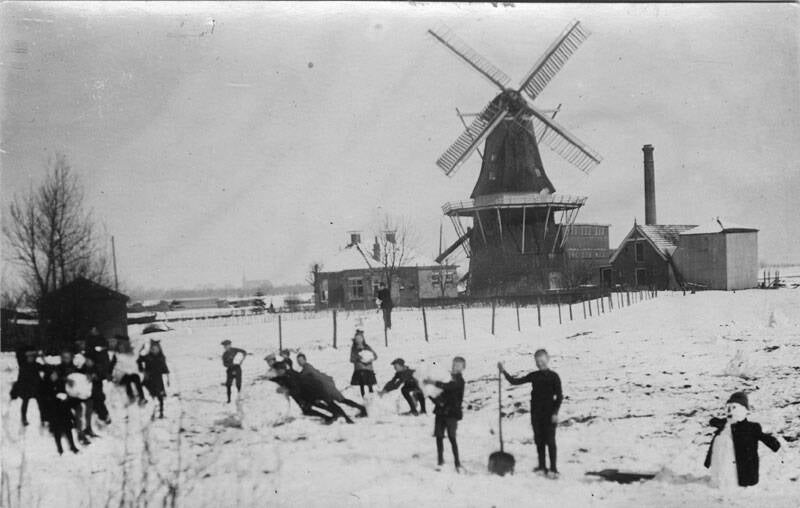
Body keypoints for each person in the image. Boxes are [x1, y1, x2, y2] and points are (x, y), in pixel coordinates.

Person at [499, 349, 563, 478]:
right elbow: (514, 381)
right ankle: (542, 467)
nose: (540, 363)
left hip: (550, 414)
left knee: (550, 441)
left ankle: (553, 469)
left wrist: (555, 413)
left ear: (548, 359)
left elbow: (559, 396)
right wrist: (503, 371)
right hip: (536, 414)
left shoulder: (554, 376)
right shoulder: (534, 376)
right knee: (539, 441)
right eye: (537, 361)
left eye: (542, 361)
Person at [704, 391, 781, 488]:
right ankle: (717, 481)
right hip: (718, 477)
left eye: (734, 408)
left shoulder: (751, 428)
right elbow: (716, 421)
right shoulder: (724, 425)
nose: (729, 411)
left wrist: (774, 444)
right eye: (728, 408)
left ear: (744, 410)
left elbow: (762, 436)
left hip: (740, 478)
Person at [271, 360, 354, 424]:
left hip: (316, 389)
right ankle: (331, 417)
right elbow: (280, 379)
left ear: (281, 369)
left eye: (277, 371)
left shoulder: (290, 376)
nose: (276, 372)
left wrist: (286, 390)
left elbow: (296, 389)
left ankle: (346, 418)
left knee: (329, 403)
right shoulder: (286, 374)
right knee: (309, 409)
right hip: (309, 393)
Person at [424, 356, 466, 472]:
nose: (455, 366)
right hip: (441, 411)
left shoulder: (459, 380)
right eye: (454, 364)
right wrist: (428, 390)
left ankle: (457, 463)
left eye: (458, 365)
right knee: (439, 436)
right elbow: (439, 392)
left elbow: (450, 387)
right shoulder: (445, 377)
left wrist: (433, 382)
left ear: (463, 368)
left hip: (452, 412)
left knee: (452, 437)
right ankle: (440, 461)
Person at [297, 353, 367, 417]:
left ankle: (359, 410)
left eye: (301, 360)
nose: (299, 362)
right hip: (327, 386)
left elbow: (303, 376)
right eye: (298, 361)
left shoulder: (307, 368)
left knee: (341, 400)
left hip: (327, 388)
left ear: (305, 360)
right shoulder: (308, 367)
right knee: (338, 401)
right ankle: (344, 413)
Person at [40, 366, 79, 455]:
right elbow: (44, 400)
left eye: (56, 374)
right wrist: (55, 397)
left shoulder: (60, 383)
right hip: (53, 411)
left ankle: (72, 446)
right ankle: (59, 448)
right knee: (57, 430)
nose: (54, 376)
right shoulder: (45, 384)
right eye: (52, 374)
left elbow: (66, 393)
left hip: (64, 410)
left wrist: (65, 398)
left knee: (68, 428)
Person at [107, 337, 147, 406]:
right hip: (120, 375)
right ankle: (131, 396)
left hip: (130, 373)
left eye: (122, 347)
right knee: (127, 379)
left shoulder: (130, 355)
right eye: (120, 347)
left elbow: (138, 360)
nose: (121, 348)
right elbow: (111, 365)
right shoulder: (116, 355)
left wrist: (141, 369)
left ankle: (142, 398)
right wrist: (109, 374)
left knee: (136, 377)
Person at [11, 347, 43, 427]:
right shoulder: (23, 364)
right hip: (25, 388)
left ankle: (43, 418)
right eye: (29, 356)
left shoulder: (36, 365)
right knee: (25, 400)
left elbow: (46, 368)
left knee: (41, 400)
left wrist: (43, 358)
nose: (31, 358)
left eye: (32, 356)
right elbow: (18, 353)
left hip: (35, 388)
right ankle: (24, 418)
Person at [138, 340, 170, 418]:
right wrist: (142, 369)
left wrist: (168, 379)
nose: (154, 350)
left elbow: (165, 368)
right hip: (149, 379)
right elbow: (139, 359)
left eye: (156, 348)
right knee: (152, 395)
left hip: (158, 380)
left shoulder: (161, 358)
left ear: (159, 349)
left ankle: (161, 412)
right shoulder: (148, 357)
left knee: (160, 396)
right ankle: (150, 408)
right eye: (153, 348)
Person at [349, 330, 377, 397]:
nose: (358, 340)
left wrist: (370, 359)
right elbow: (351, 359)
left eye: (360, 338)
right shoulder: (354, 348)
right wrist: (358, 359)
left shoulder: (367, 347)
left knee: (370, 385)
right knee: (362, 385)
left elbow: (375, 356)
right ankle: (363, 398)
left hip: (368, 369)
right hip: (359, 369)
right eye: (357, 338)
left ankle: (372, 399)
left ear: (362, 339)